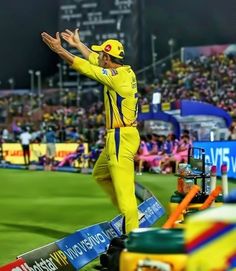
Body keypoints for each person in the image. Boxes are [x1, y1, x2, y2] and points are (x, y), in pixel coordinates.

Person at [41, 29, 140, 234]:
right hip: (124, 135)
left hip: (120, 137)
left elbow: (86, 67)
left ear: (108, 58)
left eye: (102, 54)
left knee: (126, 197)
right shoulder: (124, 71)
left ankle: (133, 238)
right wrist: (78, 45)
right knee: (100, 174)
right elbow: (93, 60)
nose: (99, 57)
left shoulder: (116, 78)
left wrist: (60, 50)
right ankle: (132, 214)